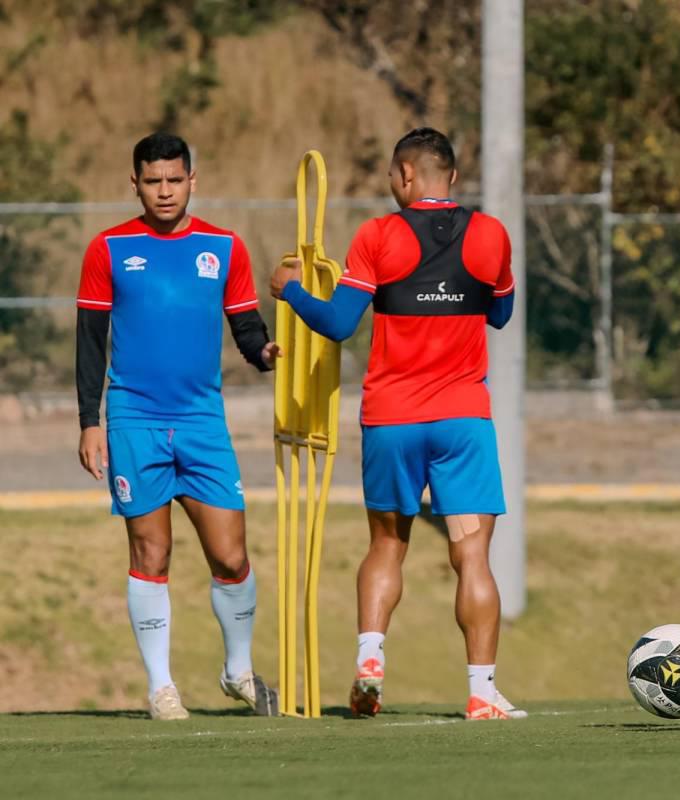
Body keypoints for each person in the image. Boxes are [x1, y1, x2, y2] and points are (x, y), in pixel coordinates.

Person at [270, 127, 523, 721]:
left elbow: (336, 323)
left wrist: (291, 291)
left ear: (406, 176)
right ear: (452, 178)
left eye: (391, 176)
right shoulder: (490, 234)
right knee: (474, 557)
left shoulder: (378, 234)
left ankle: (370, 659)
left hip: (392, 419)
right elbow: (502, 313)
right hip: (462, 419)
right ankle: (482, 692)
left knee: (387, 543)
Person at [76, 132, 280, 720]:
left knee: (232, 556)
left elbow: (244, 324)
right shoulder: (108, 249)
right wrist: (90, 421)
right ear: (134, 183)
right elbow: (90, 343)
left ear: (193, 179)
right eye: (152, 181)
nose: (164, 190)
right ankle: (162, 686)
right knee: (151, 551)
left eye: (174, 179)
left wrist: (263, 351)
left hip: (201, 421)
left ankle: (238, 670)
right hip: (134, 418)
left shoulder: (224, 246)